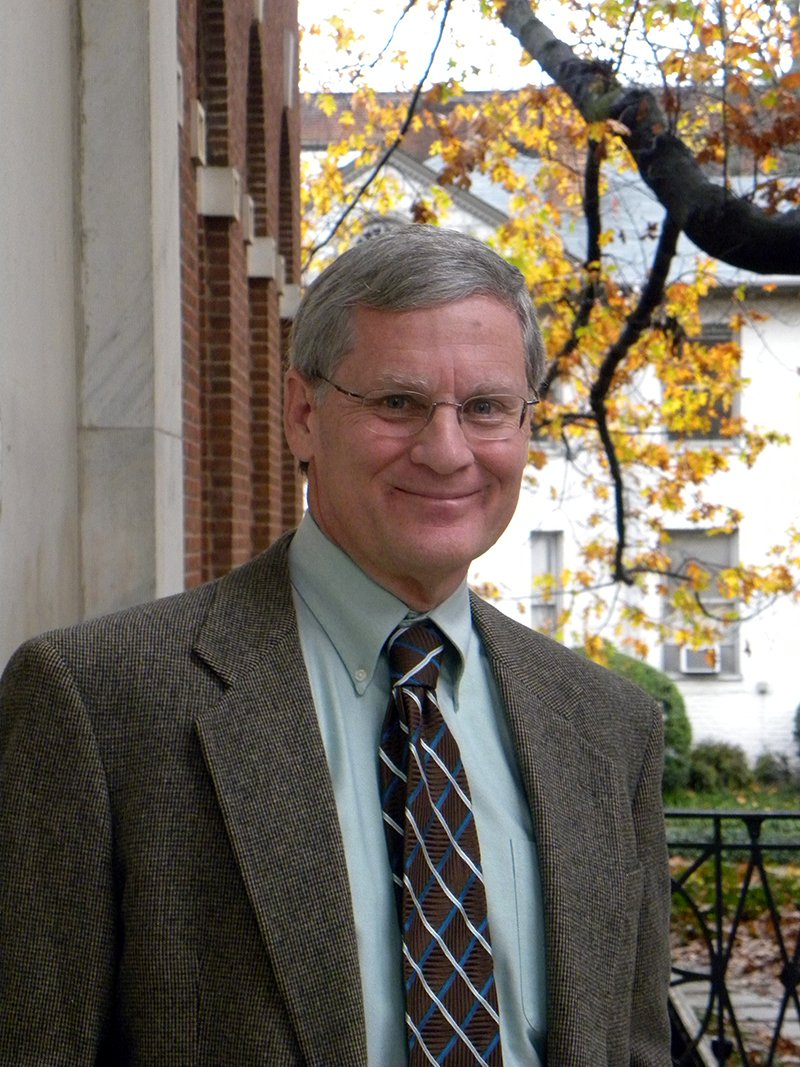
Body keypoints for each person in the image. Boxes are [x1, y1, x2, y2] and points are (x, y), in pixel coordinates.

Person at [0, 226, 671, 1066]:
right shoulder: (95, 703)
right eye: (398, 402)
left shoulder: (611, 728)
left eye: (487, 408)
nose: (448, 449)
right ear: (303, 414)